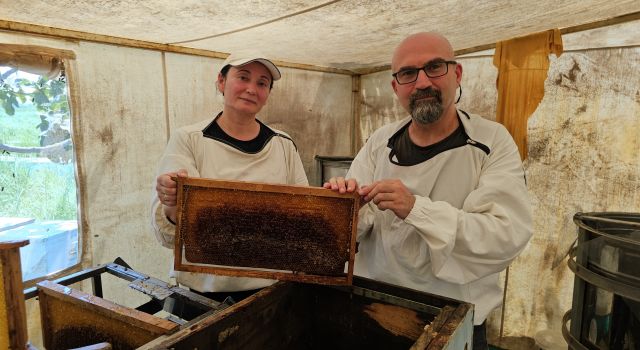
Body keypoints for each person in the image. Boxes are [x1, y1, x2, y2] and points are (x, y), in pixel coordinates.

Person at [324, 32, 532, 349]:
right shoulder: (381, 141)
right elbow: (353, 230)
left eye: (434, 67)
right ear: (396, 87)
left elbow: (505, 235)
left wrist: (416, 209)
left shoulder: (492, 142)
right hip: (375, 307)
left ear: (456, 73)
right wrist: (345, 204)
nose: (422, 82)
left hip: (452, 319)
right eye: (408, 73)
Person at [151, 53, 308, 312]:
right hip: (205, 294)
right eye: (243, 77)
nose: (251, 89)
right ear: (221, 82)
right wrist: (171, 202)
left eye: (262, 83)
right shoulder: (190, 139)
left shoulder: (282, 144)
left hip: (271, 290)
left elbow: (302, 214)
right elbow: (170, 228)